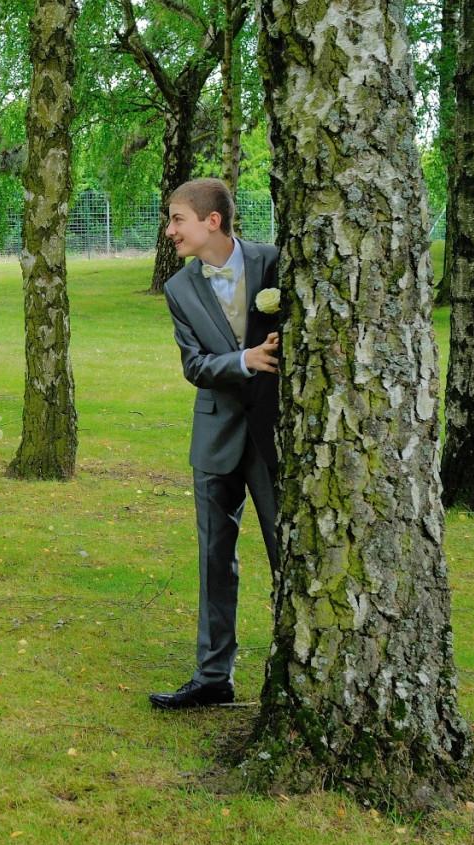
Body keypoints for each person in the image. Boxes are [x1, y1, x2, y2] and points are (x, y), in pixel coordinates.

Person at [149, 178, 282, 710]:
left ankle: (295, 665)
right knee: (214, 558)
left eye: (177, 219)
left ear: (212, 221)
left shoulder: (273, 263)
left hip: (275, 434)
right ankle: (212, 677)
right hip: (215, 436)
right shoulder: (180, 289)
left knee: (286, 550)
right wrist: (242, 361)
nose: (169, 230)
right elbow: (195, 365)